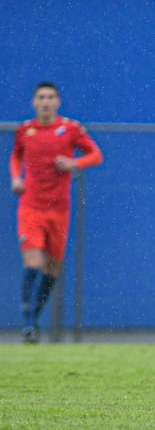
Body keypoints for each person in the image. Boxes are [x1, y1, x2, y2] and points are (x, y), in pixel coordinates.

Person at [9, 82, 104, 344]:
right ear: (34, 102)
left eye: (50, 97)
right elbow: (15, 157)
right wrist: (16, 178)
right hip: (31, 207)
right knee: (33, 263)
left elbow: (95, 155)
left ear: (58, 102)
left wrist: (75, 162)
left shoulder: (70, 129)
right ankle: (28, 324)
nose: (46, 102)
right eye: (41, 97)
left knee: (51, 269)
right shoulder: (25, 130)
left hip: (59, 209)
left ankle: (33, 321)